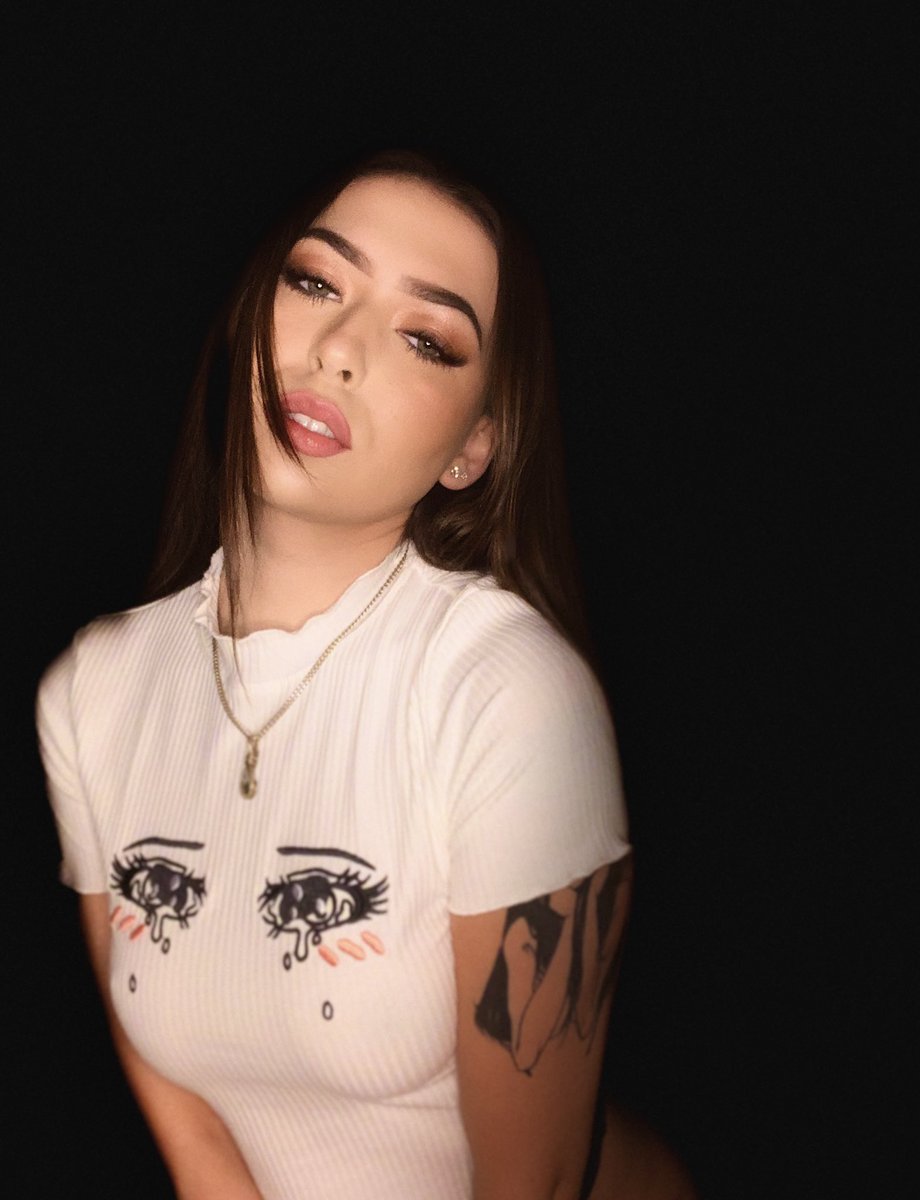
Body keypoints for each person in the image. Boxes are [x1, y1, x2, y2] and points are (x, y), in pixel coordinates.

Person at [36, 147, 640, 1200]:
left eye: (425, 338)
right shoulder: (94, 689)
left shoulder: (503, 694)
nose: (339, 351)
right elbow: (195, 1143)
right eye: (316, 282)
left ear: (473, 447)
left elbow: (531, 1186)